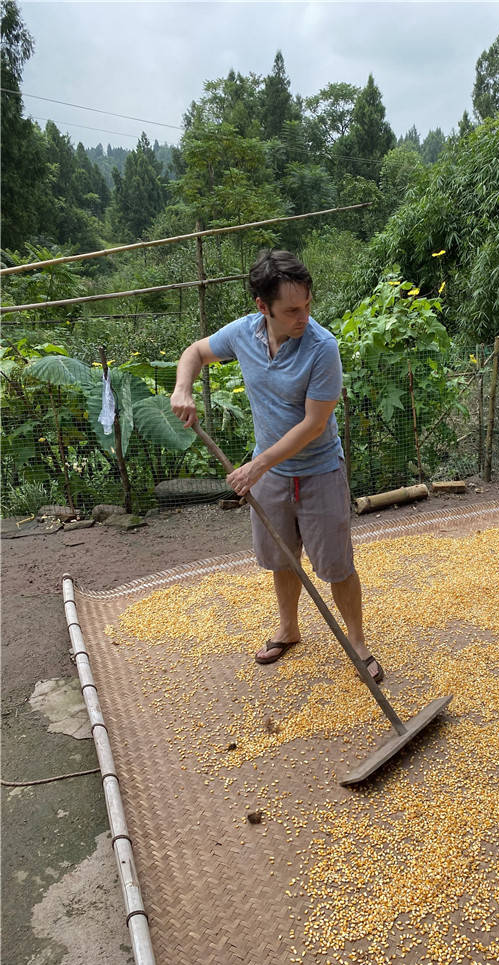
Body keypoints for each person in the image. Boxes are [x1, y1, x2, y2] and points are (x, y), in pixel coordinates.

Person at [170, 249, 384, 682]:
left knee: (336, 565)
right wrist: (183, 389)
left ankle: (358, 642)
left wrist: (257, 466)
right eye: (291, 310)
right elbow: (195, 352)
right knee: (282, 557)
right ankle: (288, 629)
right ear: (262, 307)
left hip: (319, 470)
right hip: (271, 474)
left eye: (307, 305)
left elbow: (313, 424)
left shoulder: (322, 348)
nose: (303, 317)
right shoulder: (243, 334)